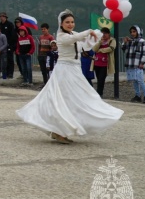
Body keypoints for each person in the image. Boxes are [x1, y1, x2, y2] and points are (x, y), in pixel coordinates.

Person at [17, 10, 123, 143]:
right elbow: (74, 39)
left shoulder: (74, 34)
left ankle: (61, 129)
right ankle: (60, 131)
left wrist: (93, 37)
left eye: (72, 22)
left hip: (75, 69)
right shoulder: (61, 36)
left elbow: (82, 45)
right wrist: (88, 32)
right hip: (64, 70)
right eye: (67, 22)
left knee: (81, 97)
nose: (70, 24)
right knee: (64, 99)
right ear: (61, 23)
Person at [122, 25, 145, 103]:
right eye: (131, 32)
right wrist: (125, 42)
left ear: (138, 32)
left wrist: (142, 62)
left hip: (138, 64)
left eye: (134, 31)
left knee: (140, 80)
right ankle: (138, 95)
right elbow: (124, 49)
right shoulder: (130, 41)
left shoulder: (142, 41)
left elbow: (144, 53)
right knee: (134, 80)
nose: (132, 33)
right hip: (131, 63)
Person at [91, 28, 115, 98]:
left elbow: (111, 48)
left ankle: (99, 93)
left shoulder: (112, 40)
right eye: (102, 33)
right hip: (97, 62)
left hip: (105, 63)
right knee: (98, 78)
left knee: (102, 78)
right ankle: (98, 92)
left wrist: (101, 50)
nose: (103, 35)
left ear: (108, 34)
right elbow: (94, 49)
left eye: (105, 33)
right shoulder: (99, 40)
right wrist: (99, 43)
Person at [0, 12, 16, 79]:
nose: (1, 18)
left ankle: (10, 73)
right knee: (4, 60)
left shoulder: (10, 24)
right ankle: (5, 73)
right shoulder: (0, 25)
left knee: (10, 59)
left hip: (9, 45)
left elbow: (12, 35)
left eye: (2, 16)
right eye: (0, 17)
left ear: (5, 17)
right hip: (2, 46)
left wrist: (11, 44)